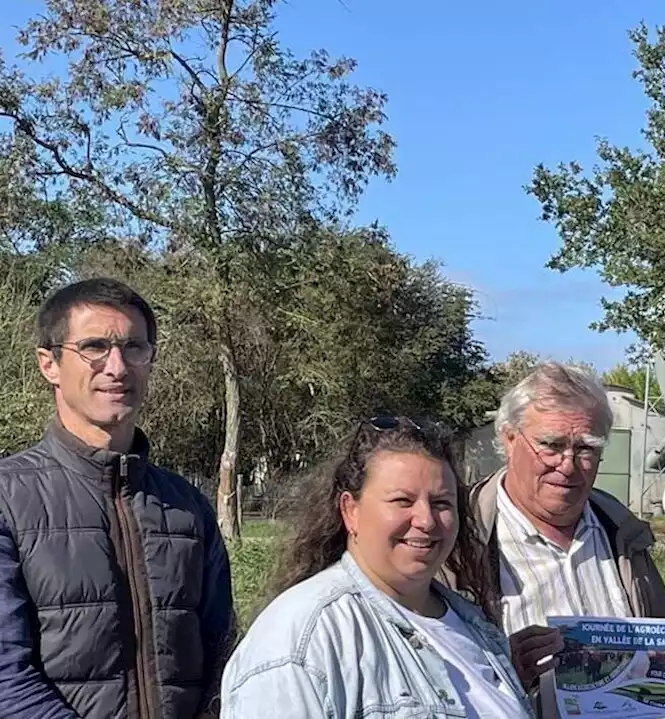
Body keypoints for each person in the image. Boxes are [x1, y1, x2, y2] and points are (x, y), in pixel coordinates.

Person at [0, 278, 234, 718]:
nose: (117, 367)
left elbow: (221, 654)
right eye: (94, 347)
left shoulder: (187, 507)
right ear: (49, 364)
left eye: (134, 348)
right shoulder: (9, 498)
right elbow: (6, 680)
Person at [221, 415, 531, 718]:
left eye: (441, 503)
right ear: (350, 511)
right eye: (402, 501)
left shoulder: (474, 626)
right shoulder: (303, 639)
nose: (426, 520)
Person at [461, 362, 665, 717]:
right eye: (551, 446)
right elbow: (434, 679)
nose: (568, 465)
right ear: (508, 439)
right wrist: (507, 674)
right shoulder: (460, 539)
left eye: (586, 448)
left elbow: (660, 659)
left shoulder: (623, 535)